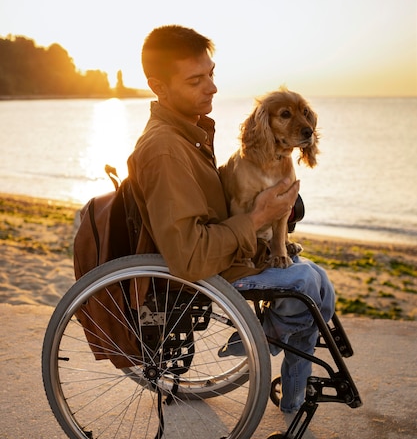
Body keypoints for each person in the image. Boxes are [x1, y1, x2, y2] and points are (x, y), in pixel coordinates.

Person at [127, 25, 335, 413]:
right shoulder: (165, 150)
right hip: (206, 271)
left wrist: (270, 218)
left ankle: (292, 393)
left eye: (211, 74)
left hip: (231, 254)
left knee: (322, 284)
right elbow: (187, 257)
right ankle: (262, 338)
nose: (212, 88)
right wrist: (260, 215)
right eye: (196, 80)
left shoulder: (189, 134)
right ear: (159, 86)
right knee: (306, 282)